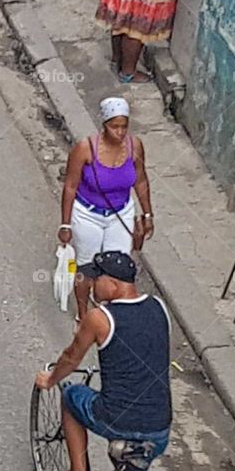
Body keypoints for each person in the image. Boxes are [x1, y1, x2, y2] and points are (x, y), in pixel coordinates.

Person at [35, 251, 172, 471]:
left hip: (117, 418)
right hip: (159, 426)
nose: (91, 284)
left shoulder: (99, 318)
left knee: (71, 396)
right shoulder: (159, 307)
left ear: (113, 283)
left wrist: (51, 379)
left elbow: (71, 358)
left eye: (96, 278)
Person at [60, 96, 154, 319]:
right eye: (114, 126)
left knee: (119, 267)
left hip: (120, 213)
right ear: (104, 125)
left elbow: (141, 180)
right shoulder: (85, 149)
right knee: (87, 266)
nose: (120, 132)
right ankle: (83, 314)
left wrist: (147, 213)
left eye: (124, 127)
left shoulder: (135, 146)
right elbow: (70, 186)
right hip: (88, 214)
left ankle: (113, 313)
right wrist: (65, 224)